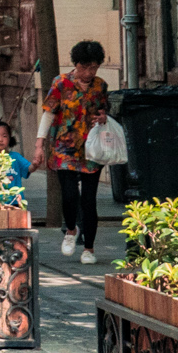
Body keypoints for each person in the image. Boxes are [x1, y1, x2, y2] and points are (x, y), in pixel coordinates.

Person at [35, 39, 111, 265]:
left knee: (89, 200)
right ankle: (70, 230)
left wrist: (103, 116)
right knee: (69, 195)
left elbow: (104, 110)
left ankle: (89, 248)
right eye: (84, 67)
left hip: (91, 149)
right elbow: (48, 113)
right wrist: (39, 143)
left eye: (93, 67)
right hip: (64, 147)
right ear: (76, 64)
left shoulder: (100, 86)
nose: (88, 72)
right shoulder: (61, 83)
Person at [0, 121, 33, 204]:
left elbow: (28, 168)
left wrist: (35, 165)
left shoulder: (16, 157)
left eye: (4, 136)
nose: (0, 140)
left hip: (14, 202)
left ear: (9, 138)